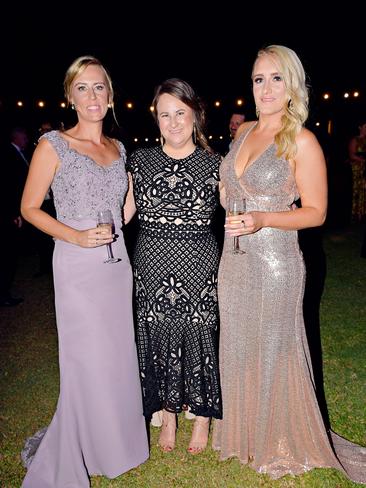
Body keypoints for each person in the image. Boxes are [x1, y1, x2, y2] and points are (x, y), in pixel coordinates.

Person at [212, 45, 366, 483]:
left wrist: (262, 218)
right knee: (239, 344)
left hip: (277, 261)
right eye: (259, 79)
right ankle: (243, 434)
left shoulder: (301, 139)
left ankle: (278, 438)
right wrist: (228, 197)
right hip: (234, 259)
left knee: (276, 349)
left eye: (276, 78)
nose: (265, 88)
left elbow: (316, 211)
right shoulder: (242, 134)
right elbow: (230, 189)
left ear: (292, 86)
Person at [20, 55, 148, 487]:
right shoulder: (52, 145)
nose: (92, 96)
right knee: (85, 357)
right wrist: (74, 237)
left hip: (116, 267)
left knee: (115, 353)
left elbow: (120, 212)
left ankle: (116, 443)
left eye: (99, 88)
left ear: (110, 96)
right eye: (82, 88)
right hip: (76, 266)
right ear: (69, 96)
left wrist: (131, 201)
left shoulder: (118, 148)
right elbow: (29, 208)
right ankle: (84, 443)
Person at [127, 78, 222, 454]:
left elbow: (239, 203)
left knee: (200, 334)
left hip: (198, 261)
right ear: (156, 119)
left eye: (180, 113)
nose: (173, 122)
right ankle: (168, 414)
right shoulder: (140, 160)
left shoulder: (216, 163)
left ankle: (202, 416)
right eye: (165, 114)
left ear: (195, 114)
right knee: (158, 335)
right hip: (150, 260)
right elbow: (122, 212)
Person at [0, 127, 30, 306]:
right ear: (16, 138)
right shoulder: (8, 155)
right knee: (7, 255)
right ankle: (3, 294)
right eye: (24, 137)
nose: (26, 140)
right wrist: (14, 212)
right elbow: (8, 187)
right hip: (8, 213)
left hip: (13, 210)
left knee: (10, 254)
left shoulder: (17, 154)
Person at [348, 119, 366, 222]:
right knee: (357, 191)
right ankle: (356, 214)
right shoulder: (355, 140)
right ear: (360, 128)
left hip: (364, 168)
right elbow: (351, 155)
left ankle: (363, 213)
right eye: (365, 126)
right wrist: (363, 160)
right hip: (357, 169)